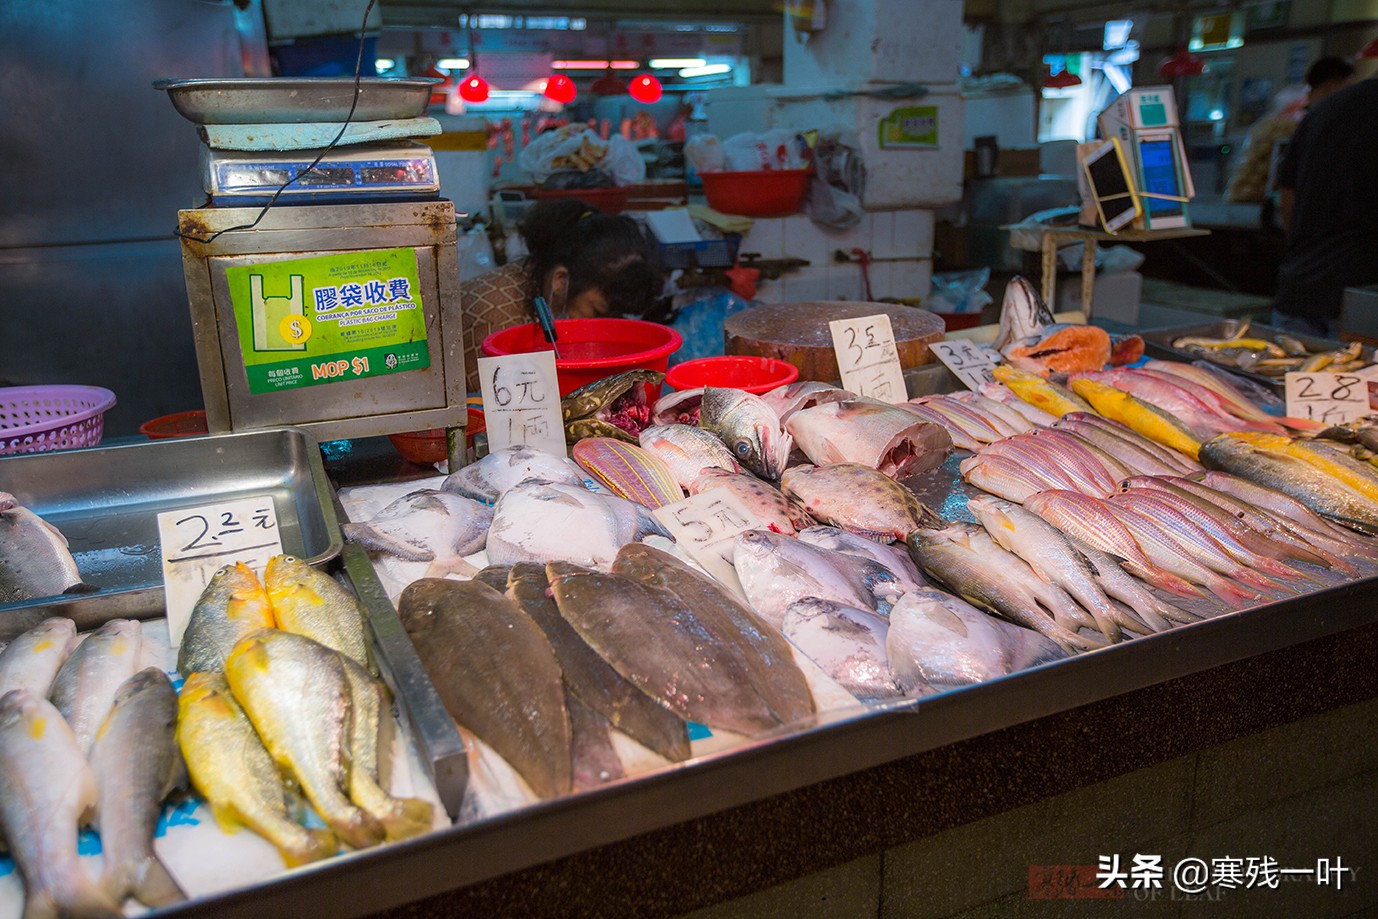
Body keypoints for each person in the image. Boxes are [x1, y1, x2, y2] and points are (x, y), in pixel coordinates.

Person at [459, 199, 663, 392]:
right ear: (561, 280)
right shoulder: (497, 317)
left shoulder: (540, 279)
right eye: (595, 311)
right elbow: (499, 412)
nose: (599, 324)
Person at [1271, 73, 1378, 339]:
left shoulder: (1325, 109)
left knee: (1289, 376)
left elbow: (1286, 193)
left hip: (1301, 285)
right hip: (1362, 300)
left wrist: (1298, 249)